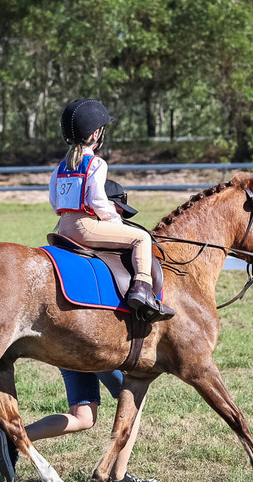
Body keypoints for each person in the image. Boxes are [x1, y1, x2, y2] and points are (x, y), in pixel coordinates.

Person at [49, 98, 174, 322]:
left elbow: (54, 200)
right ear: (96, 134)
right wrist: (113, 218)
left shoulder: (60, 168)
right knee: (142, 238)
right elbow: (97, 200)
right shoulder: (96, 164)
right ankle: (142, 290)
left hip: (63, 229)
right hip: (85, 227)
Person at [0, 369, 157, 482]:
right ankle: (118, 475)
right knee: (134, 395)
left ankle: (13, 437)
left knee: (83, 417)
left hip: (68, 348)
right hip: (95, 346)